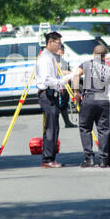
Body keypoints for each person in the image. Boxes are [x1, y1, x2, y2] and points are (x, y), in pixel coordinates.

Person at [72, 44, 110, 168]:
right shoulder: (108, 69)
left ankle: (89, 159)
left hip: (89, 98)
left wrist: (76, 92)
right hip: (102, 98)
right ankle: (103, 160)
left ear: (94, 54)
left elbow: (76, 74)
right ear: (105, 56)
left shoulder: (87, 65)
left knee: (85, 128)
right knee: (103, 130)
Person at [36, 31, 74, 168]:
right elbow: (47, 80)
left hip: (52, 93)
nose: (60, 45)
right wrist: (62, 81)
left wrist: (60, 83)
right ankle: (47, 159)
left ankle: (50, 158)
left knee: (53, 127)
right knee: (51, 128)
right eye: (58, 43)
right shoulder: (45, 58)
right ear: (51, 42)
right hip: (47, 93)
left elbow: (53, 76)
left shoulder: (50, 57)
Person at [54, 45, 77, 128]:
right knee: (59, 104)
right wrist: (66, 72)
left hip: (66, 83)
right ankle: (55, 123)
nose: (63, 50)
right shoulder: (54, 59)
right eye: (61, 49)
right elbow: (55, 72)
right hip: (59, 84)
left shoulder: (63, 60)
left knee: (65, 103)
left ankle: (67, 122)